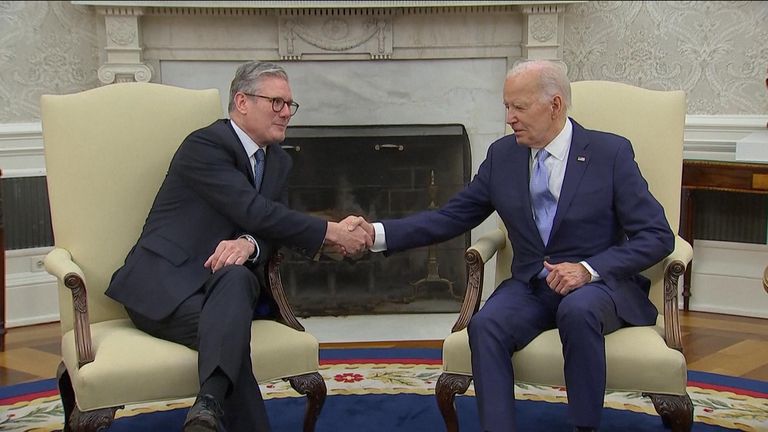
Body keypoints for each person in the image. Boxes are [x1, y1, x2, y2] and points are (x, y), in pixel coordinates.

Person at [353, 60, 674, 431]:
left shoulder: (610, 154)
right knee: (485, 323)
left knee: (578, 310)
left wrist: (588, 270)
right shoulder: (503, 156)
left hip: (596, 286)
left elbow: (657, 236)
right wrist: (376, 234)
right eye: (506, 106)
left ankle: (583, 427)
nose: (509, 118)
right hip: (531, 287)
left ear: (555, 105)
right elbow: (450, 217)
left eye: (519, 107)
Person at [105, 61, 372, 432]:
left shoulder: (277, 161)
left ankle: (207, 408)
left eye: (290, 105)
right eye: (276, 102)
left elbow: (267, 226)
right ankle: (213, 402)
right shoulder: (205, 145)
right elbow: (254, 209)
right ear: (242, 101)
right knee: (230, 337)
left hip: (222, 285)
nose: (285, 113)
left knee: (238, 280)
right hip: (163, 285)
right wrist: (331, 232)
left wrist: (248, 244)